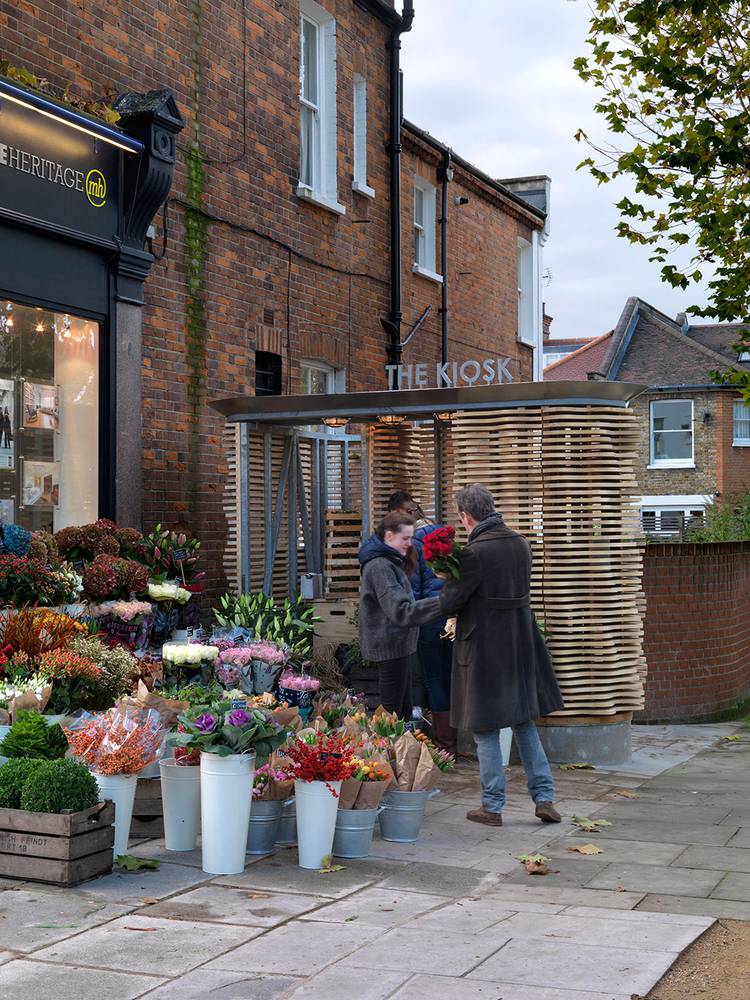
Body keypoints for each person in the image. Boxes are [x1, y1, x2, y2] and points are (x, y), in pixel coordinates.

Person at [439, 483, 564, 827]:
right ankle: (545, 798)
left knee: (485, 728)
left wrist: (447, 576)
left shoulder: (474, 553)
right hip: (520, 643)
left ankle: (491, 807)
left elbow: (451, 602)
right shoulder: (521, 544)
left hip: (483, 649)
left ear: (466, 515)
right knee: (524, 722)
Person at [387, 490, 456, 756]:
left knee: (432, 678)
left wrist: (405, 620)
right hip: (451, 616)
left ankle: (444, 747)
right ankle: (449, 742)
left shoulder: (413, 543)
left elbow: (411, 588)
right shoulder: (443, 537)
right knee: (448, 677)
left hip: (428, 619)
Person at [358, 511, 442, 719]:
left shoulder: (391, 560)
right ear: (389, 536)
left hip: (399, 644)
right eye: (405, 538)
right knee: (391, 714)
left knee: (402, 711)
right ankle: (386, 750)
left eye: (411, 537)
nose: (410, 543)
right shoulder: (380, 566)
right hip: (389, 645)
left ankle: (401, 750)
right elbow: (399, 611)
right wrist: (443, 603)